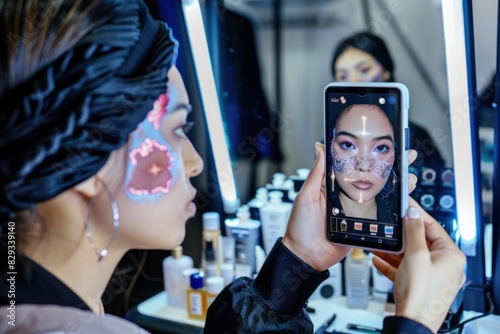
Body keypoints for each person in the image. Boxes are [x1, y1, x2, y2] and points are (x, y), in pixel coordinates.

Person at [0, 1, 465, 333]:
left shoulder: (33, 304)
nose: (197, 161)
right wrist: (415, 322)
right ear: (88, 162)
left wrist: (298, 261)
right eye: (178, 130)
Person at [331, 31, 446, 169]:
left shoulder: (416, 137)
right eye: (343, 76)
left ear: (386, 70)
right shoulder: (331, 142)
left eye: (364, 70)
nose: (353, 81)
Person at [328, 104, 399, 225]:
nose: (364, 166)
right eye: (348, 145)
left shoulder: (401, 217)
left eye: (381, 148)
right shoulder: (314, 214)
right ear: (330, 147)